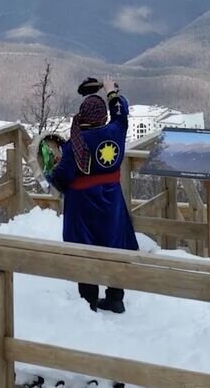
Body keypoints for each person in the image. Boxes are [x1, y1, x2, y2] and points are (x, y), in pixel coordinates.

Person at [47, 76, 138, 313]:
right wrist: (111, 91)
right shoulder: (116, 131)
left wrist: (48, 172)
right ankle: (115, 298)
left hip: (82, 205)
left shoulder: (74, 145)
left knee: (84, 247)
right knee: (114, 245)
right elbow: (121, 112)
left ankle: (88, 300)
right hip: (112, 198)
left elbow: (61, 177)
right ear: (103, 116)